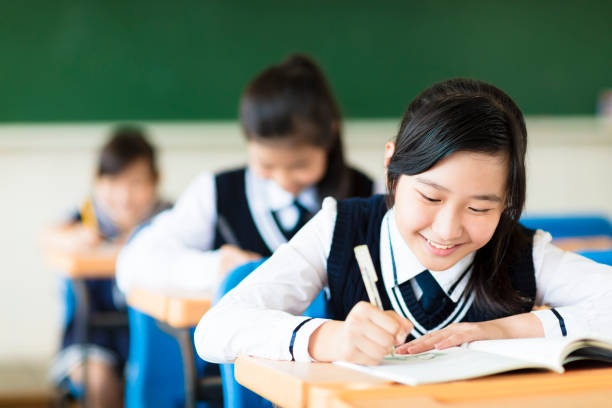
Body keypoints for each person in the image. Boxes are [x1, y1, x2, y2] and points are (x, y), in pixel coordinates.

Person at [194, 78, 612, 366]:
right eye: (431, 197)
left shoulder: (520, 250)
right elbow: (215, 330)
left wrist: (506, 330)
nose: (448, 230)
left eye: (481, 209)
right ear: (392, 163)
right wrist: (330, 339)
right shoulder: (341, 229)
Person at [116, 54, 376, 295]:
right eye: (267, 164)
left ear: (330, 137)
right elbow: (132, 265)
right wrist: (214, 267)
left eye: (299, 166)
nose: (284, 180)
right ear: (248, 141)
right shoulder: (217, 194)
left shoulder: (368, 195)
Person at [46, 125, 170, 407]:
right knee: (97, 380)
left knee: (163, 379)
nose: (124, 196)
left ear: (156, 181)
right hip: (92, 337)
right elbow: (48, 235)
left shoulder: (171, 221)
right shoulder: (88, 218)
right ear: (97, 182)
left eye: (136, 183)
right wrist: (74, 237)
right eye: (113, 183)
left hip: (156, 333)